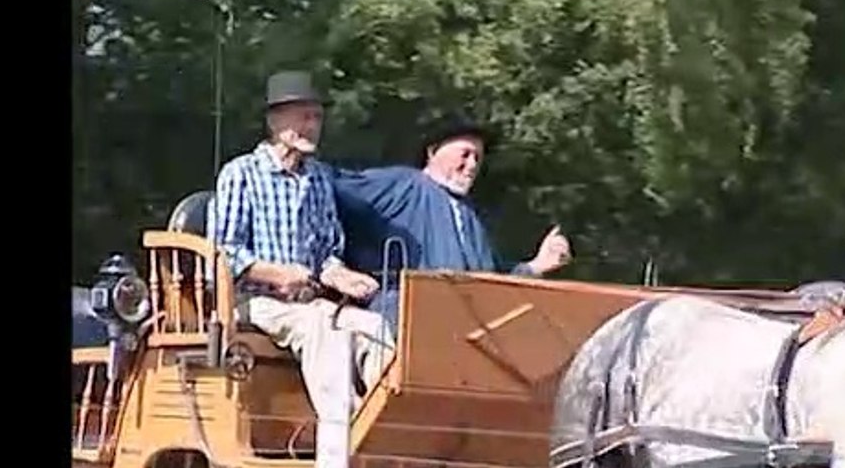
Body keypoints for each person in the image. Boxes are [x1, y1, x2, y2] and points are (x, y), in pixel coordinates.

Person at [207, 70, 392, 407]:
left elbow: (326, 253)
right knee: (321, 322)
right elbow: (223, 252)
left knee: (376, 327)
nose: (313, 125)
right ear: (275, 121)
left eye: (318, 117)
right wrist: (280, 273)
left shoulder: (319, 178)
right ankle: (341, 431)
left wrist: (340, 275)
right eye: (304, 116)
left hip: (308, 302)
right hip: (252, 302)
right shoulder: (241, 174)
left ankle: (382, 423)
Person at [331, 115, 573, 330]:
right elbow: (330, 186)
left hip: (469, 325)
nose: (472, 165)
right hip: (406, 314)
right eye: (465, 154)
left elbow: (493, 279)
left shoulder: (471, 217)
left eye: (477, 158)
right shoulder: (400, 185)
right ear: (432, 152)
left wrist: (536, 266)